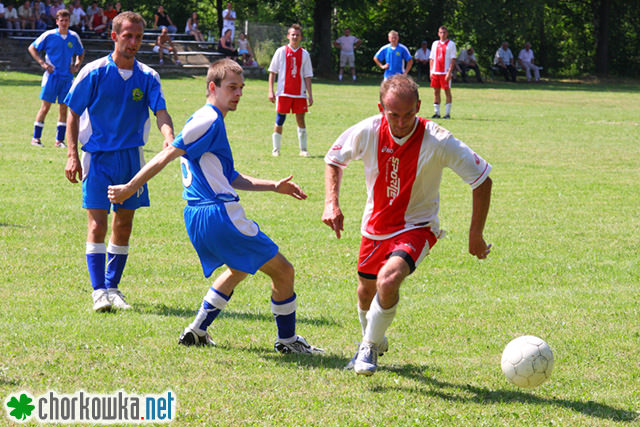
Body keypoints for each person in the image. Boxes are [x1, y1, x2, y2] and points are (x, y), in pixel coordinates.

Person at [107, 59, 323, 355]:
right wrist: (130, 187)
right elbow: (166, 154)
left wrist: (274, 185)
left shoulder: (206, 120)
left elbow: (230, 177)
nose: (238, 94)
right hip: (218, 213)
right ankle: (287, 341)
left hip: (198, 214)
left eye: (241, 88)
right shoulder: (207, 120)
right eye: (232, 87)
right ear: (213, 87)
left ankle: (197, 330)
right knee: (284, 271)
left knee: (239, 268)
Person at [322, 74, 493, 376]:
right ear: (381, 108)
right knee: (366, 292)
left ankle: (368, 347)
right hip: (374, 226)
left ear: (419, 107)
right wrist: (331, 203)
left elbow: (482, 180)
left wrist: (475, 235)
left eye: (409, 114)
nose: (401, 122)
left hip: (418, 226)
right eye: (394, 115)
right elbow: (334, 159)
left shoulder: (438, 139)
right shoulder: (368, 130)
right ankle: (374, 337)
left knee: (388, 280)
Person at [63, 11, 175, 312]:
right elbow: (73, 111)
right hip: (97, 158)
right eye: (128, 36)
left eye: (138, 37)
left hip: (132, 160)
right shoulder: (94, 71)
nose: (134, 42)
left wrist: (169, 137)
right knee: (98, 224)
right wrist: (72, 154)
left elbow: (161, 111)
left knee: (124, 224)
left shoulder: (149, 76)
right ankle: (98, 291)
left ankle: (113, 287)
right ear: (114, 36)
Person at [28, 9, 84, 148]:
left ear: (69, 22)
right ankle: (36, 138)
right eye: (61, 21)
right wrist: (43, 63)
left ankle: (59, 141)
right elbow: (32, 48)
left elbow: (81, 52)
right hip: (51, 77)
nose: (64, 23)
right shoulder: (49, 35)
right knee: (45, 107)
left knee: (64, 109)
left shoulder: (74, 37)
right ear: (57, 21)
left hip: (67, 78)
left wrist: (77, 65)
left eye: (66, 21)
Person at [268, 23, 313, 157]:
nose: (294, 37)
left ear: (301, 37)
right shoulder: (280, 51)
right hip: (283, 93)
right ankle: (276, 149)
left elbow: (307, 76)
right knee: (280, 119)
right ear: (288, 36)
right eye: (292, 34)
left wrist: (310, 95)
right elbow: (272, 72)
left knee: (301, 120)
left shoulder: (304, 54)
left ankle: (303, 149)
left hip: (299, 94)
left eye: (297, 35)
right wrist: (270, 91)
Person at [429, 25, 456, 119]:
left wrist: (449, 72)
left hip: (445, 72)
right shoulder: (435, 44)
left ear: (447, 33)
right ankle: (437, 113)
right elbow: (431, 58)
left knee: (447, 91)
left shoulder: (451, 44)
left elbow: (453, 59)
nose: (442, 34)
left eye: (444, 32)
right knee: (436, 92)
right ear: (438, 33)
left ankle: (447, 113)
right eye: (441, 32)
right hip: (435, 72)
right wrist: (431, 71)